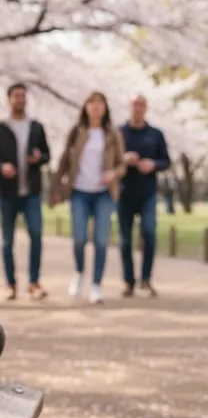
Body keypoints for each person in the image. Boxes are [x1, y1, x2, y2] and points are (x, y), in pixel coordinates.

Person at [54, 92, 126, 304]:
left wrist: (113, 173)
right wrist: (57, 187)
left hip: (104, 193)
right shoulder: (76, 132)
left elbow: (122, 164)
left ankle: (96, 285)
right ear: (85, 107)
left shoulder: (113, 134)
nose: (95, 107)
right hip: (79, 192)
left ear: (105, 108)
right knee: (79, 238)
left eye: (99, 103)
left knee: (101, 241)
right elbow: (64, 161)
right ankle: (79, 272)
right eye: (91, 103)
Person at [0, 83, 51, 300]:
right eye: (16, 96)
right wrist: (0, 167)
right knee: (7, 240)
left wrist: (38, 158)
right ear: (9, 99)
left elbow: (47, 154)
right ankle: (10, 284)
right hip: (6, 191)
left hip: (31, 191)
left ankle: (34, 282)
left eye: (23, 96)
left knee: (37, 235)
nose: (20, 100)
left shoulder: (36, 127)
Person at [118, 95, 172, 297]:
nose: (138, 108)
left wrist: (153, 164)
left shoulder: (156, 134)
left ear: (146, 108)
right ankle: (129, 281)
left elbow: (166, 160)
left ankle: (146, 279)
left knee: (149, 234)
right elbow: (109, 159)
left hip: (148, 193)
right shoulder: (119, 132)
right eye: (134, 104)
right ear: (129, 107)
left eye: (141, 105)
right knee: (125, 240)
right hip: (124, 193)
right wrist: (123, 160)